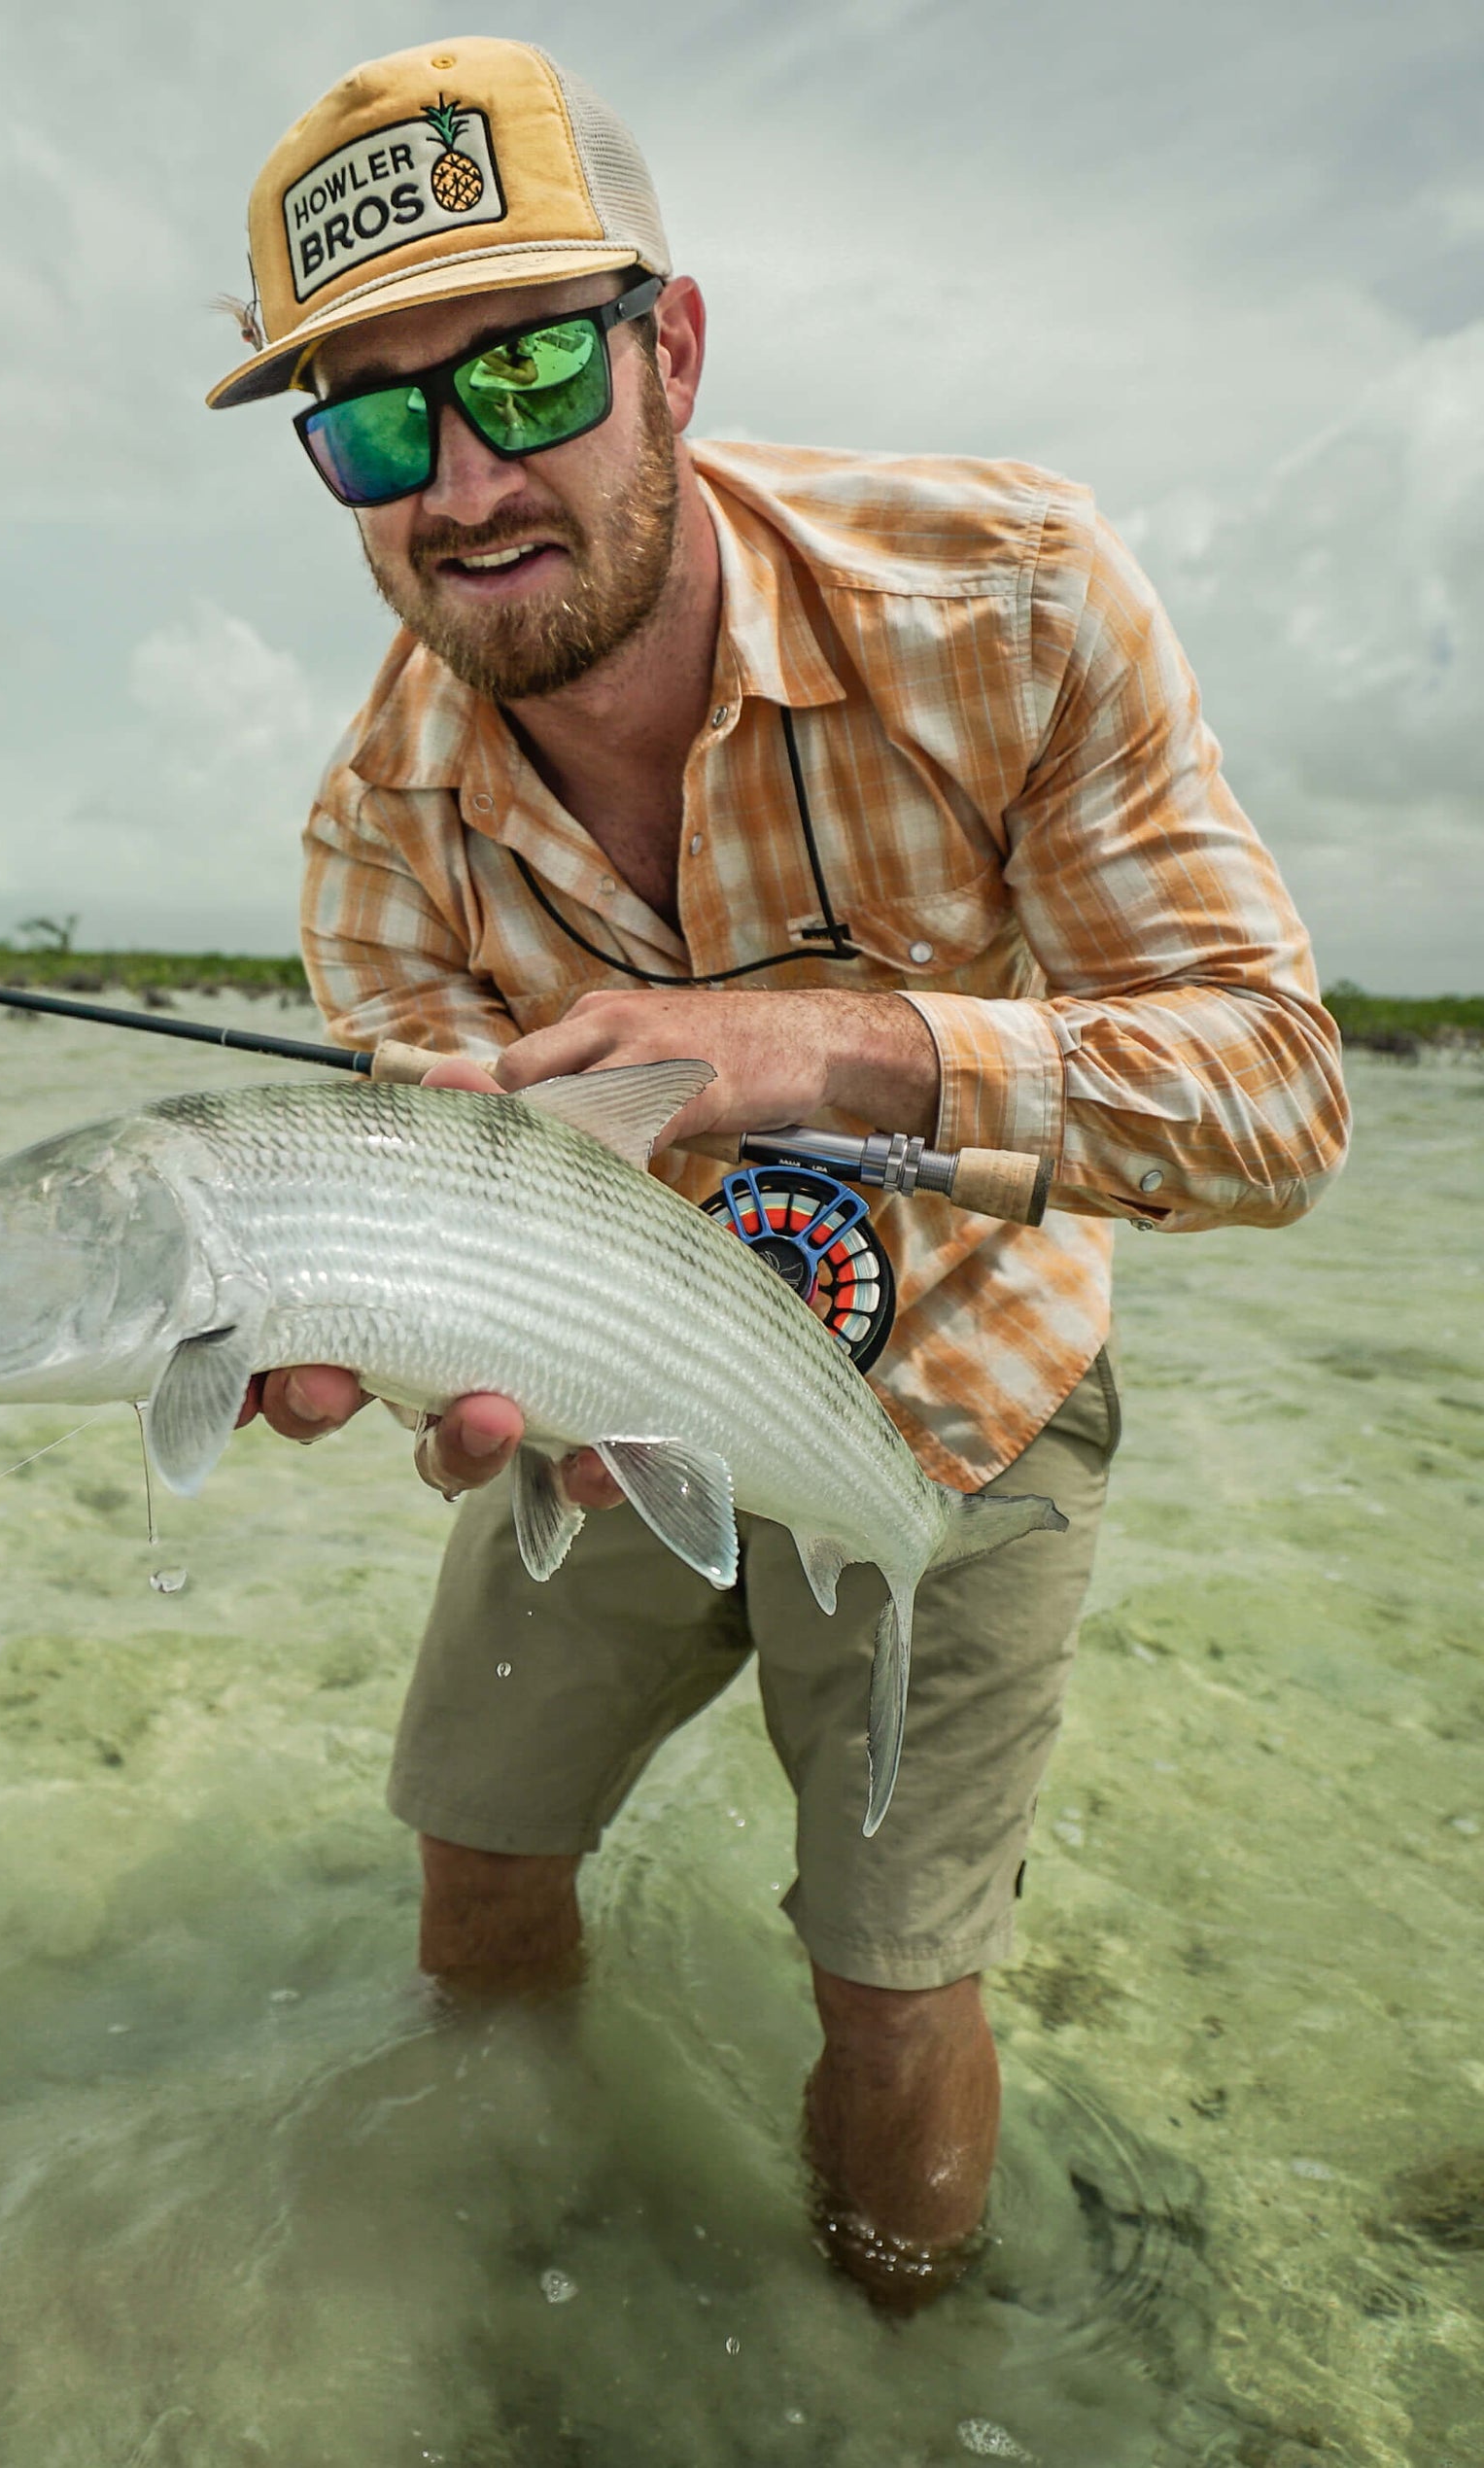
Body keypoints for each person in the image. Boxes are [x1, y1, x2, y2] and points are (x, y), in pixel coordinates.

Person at [206, 37, 1348, 2306]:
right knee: (474, 1867)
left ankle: (884, 2386)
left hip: (963, 1394)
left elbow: (1276, 1097)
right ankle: (512, 2300)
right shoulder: (371, 834)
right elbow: (453, 1256)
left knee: (892, 1979)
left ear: (674, 351)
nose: (461, 480)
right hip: (611, 1422)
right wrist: (399, 1355)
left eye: (527, 370)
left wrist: (830, 1040)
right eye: (369, 420)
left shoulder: (1006, 596)